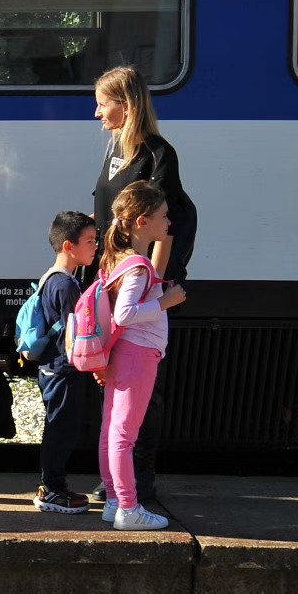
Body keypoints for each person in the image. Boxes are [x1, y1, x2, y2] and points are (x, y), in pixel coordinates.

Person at [90, 65, 195, 505]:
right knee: (117, 387)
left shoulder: (157, 154)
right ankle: (118, 483)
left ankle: (140, 483)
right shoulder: (118, 148)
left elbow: (164, 228)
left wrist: (151, 285)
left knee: (141, 388)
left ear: (127, 105)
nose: (97, 114)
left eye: (103, 103)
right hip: (114, 278)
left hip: (139, 284)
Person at [97, 182, 187, 530]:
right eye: (163, 216)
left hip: (123, 353)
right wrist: (166, 301)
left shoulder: (119, 260)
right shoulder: (137, 265)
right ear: (141, 223)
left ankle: (113, 501)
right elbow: (125, 314)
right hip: (138, 353)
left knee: (111, 430)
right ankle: (129, 508)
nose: (168, 223)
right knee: (124, 434)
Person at [32, 211, 98, 515]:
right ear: (69, 246)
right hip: (64, 369)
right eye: (89, 241)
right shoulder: (67, 286)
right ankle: (52, 490)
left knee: (56, 427)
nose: (95, 246)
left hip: (52, 367)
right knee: (60, 430)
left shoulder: (52, 278)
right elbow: (79, 333)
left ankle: (53, 486)